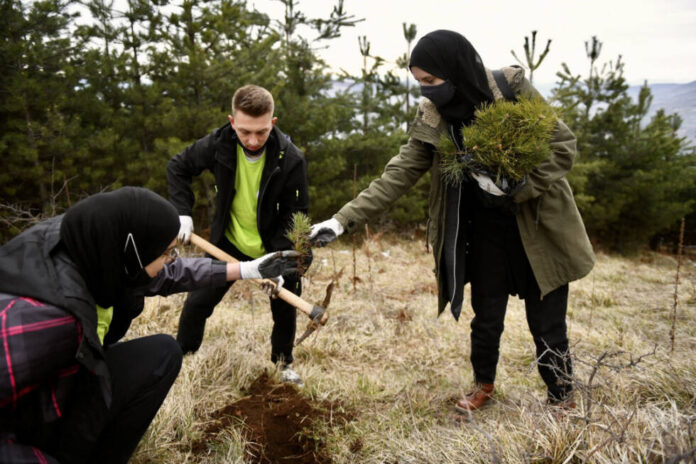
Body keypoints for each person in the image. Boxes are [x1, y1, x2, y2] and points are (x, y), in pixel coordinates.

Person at [309, 30, 595, 411]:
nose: (425, 91)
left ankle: (561, 396)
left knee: (547, 321)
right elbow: (397, 174)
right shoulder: (434, 116)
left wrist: (516, 186)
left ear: (455, 68)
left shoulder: (509, 89)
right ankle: (483, 385)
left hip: (537, 226)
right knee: (486, 316)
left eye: (430, 80)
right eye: (418, 82)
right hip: (484, 231)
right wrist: (340, 221)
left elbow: (562, 145)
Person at [0, 187, 299, 463]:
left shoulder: (94, 245)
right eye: (167, 252)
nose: (171, 260)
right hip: (26, 423)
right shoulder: (49, 319)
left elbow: (169, 273)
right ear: (133, 252)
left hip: (63, 385)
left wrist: (246, 269)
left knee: (162, 354)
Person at [168, 84, 310, 384]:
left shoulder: (291, 159)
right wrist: (182, 212)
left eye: (261, 132)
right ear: (232, 122)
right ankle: (182, 358)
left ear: (272, 122)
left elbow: (295, 215)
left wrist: (281, 263)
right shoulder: (219, 144)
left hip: (274, 247)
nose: (253, 140)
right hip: (228, 244)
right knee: (197, 302)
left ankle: (283, 364)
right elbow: (178, 167)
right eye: (245, 131)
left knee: (285, 307)